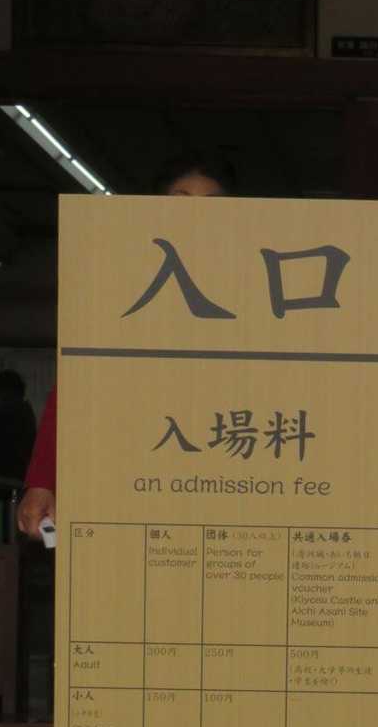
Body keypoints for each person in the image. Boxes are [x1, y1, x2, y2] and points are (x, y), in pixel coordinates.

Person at [16, 152, 235, 539]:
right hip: (131, 468)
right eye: (181, 202)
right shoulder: (117, 282)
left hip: (227, 468)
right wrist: (42, 480)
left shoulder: (251, 286)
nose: (196, 216)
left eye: (212, 205)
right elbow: (76, 386)